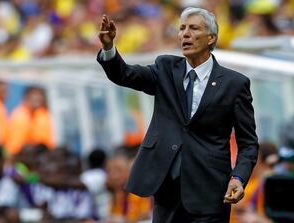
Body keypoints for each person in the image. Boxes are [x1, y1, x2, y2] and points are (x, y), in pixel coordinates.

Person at [97, 7, 259, 223]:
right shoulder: (165, 68)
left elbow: (248, 143)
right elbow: (125, 74)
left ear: (211, 38)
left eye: (193, 28)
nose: (185, 34)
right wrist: (109, 48)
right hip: (166, 189)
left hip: (209, 191)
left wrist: (238, 177)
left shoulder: (234, 84)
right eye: (182, 29)